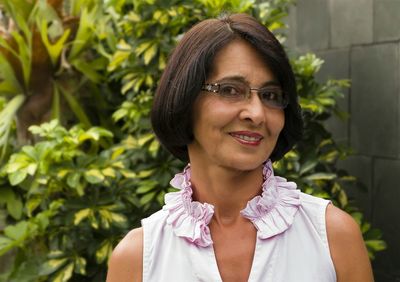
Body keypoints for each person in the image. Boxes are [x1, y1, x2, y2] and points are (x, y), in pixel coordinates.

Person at [107, 13, 373, 282]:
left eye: (270, 95)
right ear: (185, 99)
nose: (257, 113)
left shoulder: (332, 237)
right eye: (230, 90)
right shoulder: (138, 258)